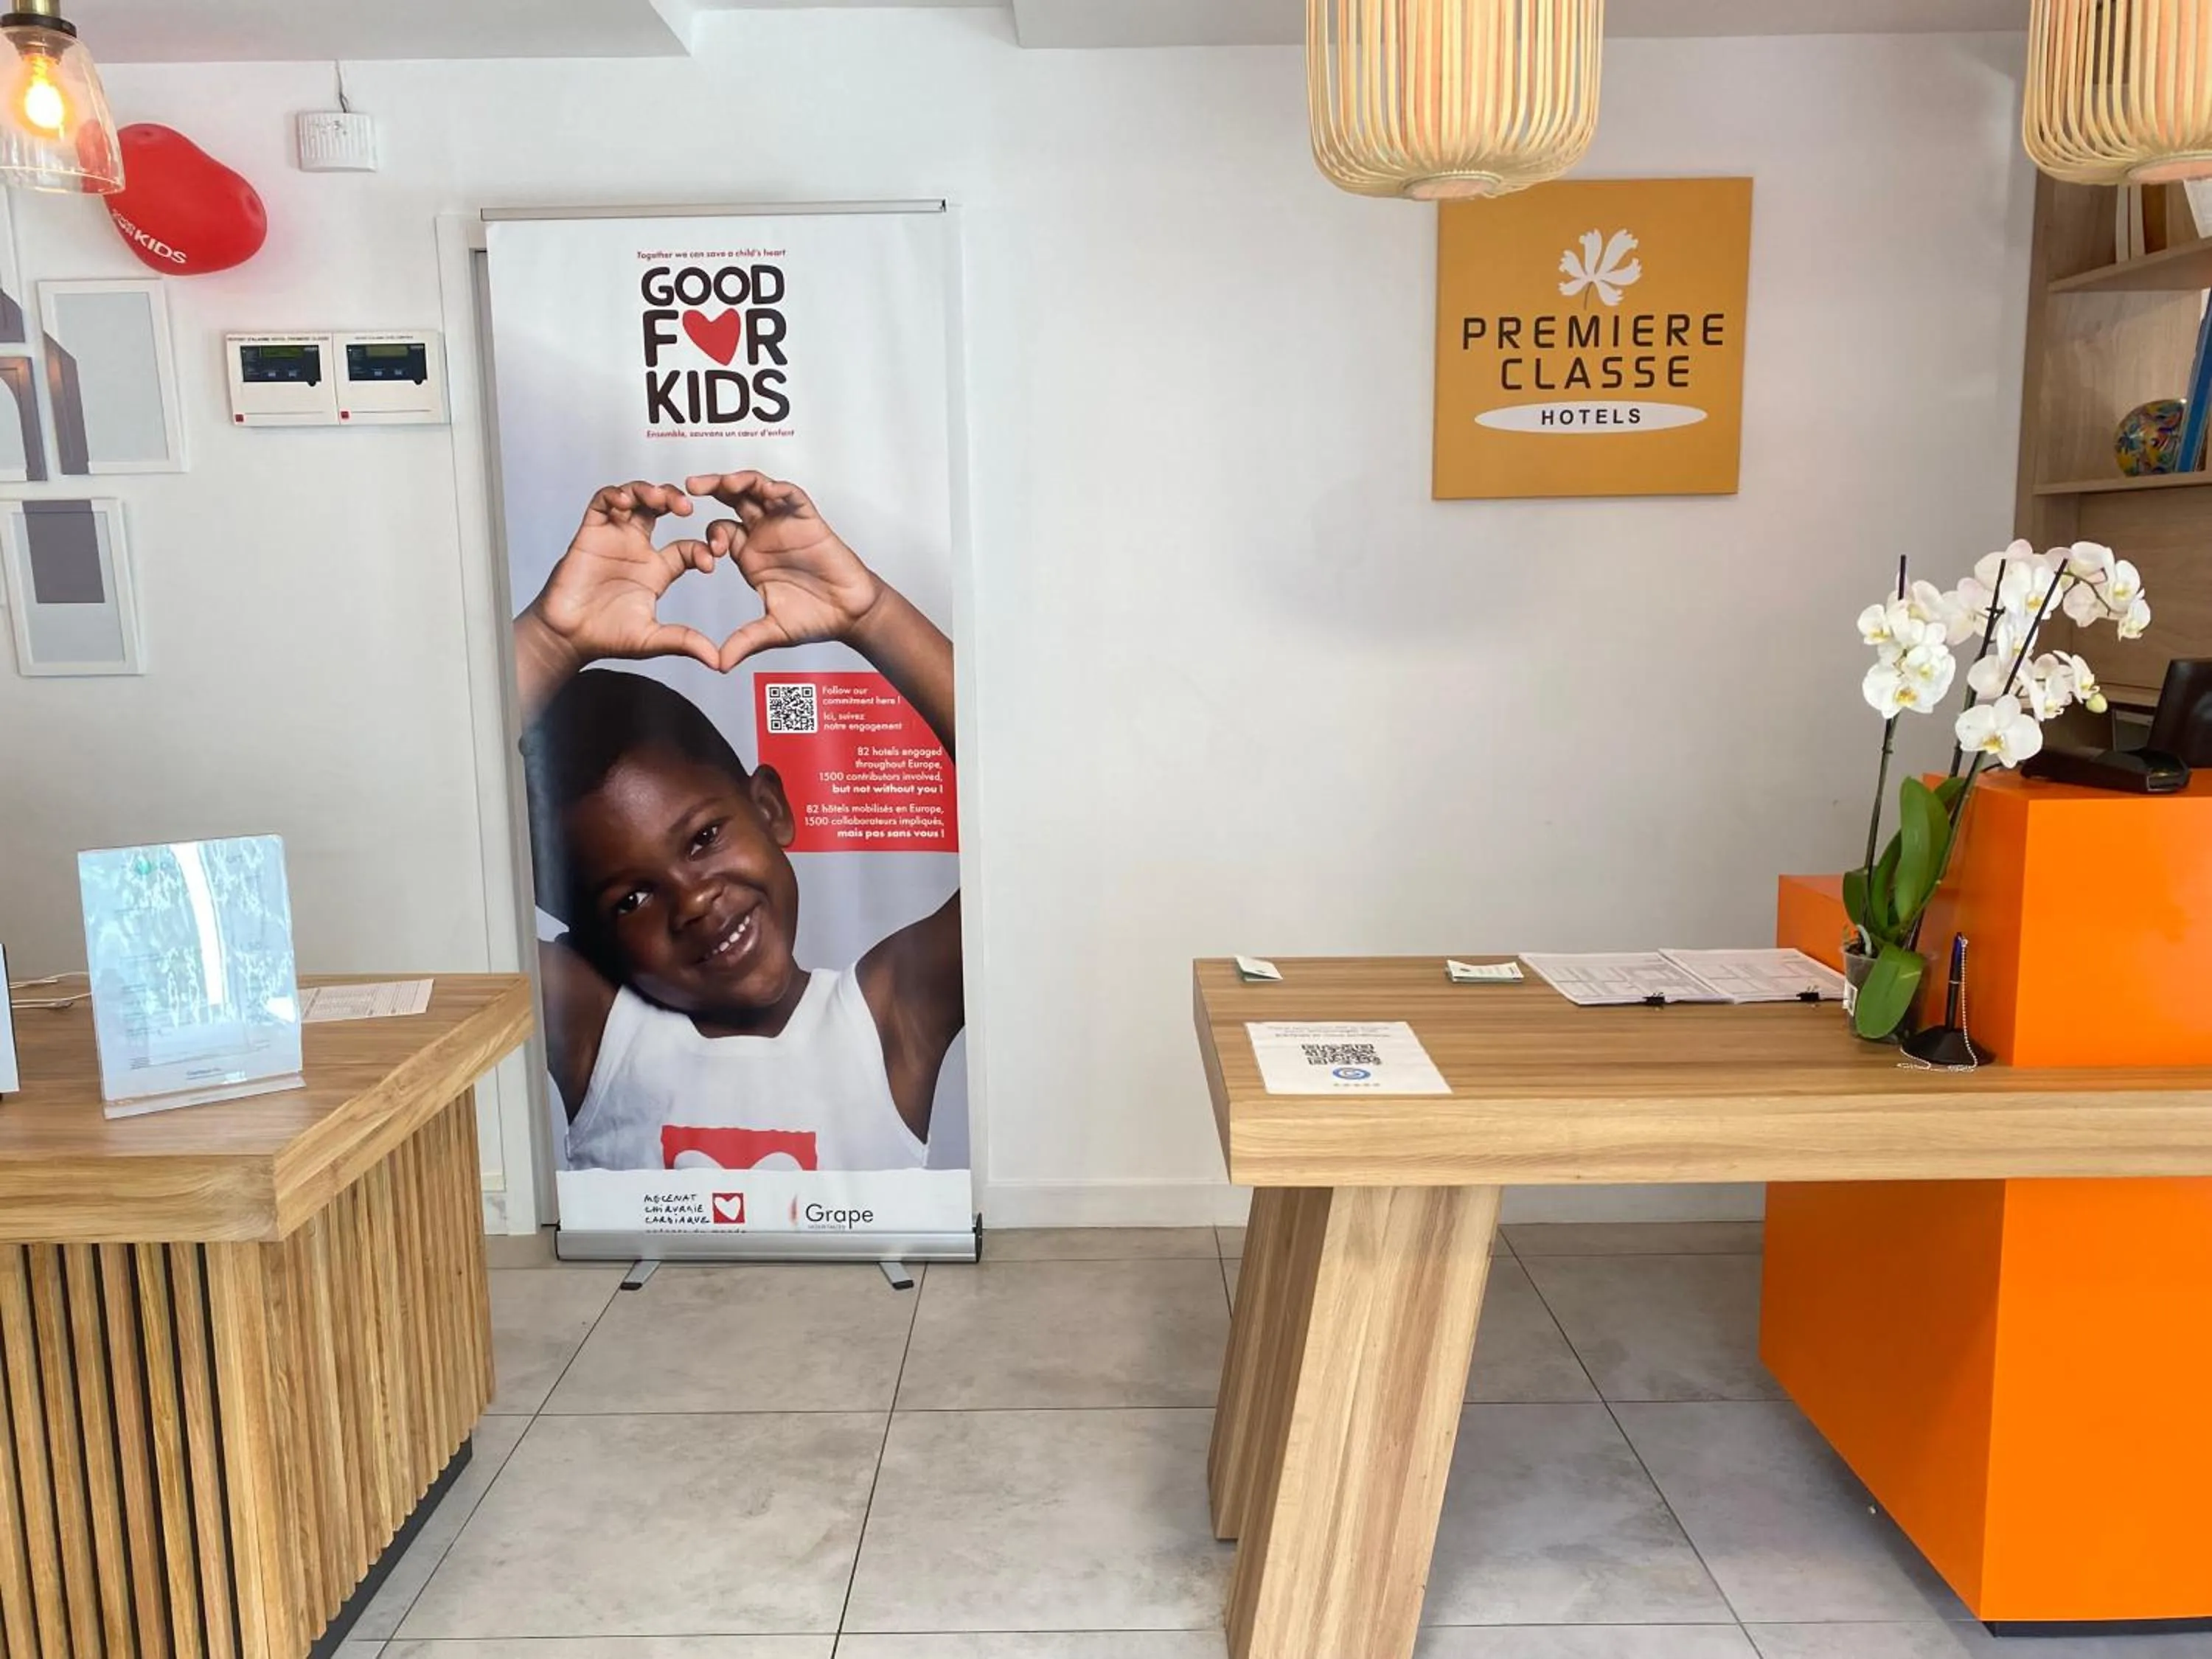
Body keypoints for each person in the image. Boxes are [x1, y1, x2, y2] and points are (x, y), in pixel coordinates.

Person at [512, 470, 961, 1173]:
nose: (692, 902)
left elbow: (1031, 825)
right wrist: (549, 641)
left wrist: (870, 617)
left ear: (771, 808)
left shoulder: (887, 1017)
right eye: (629, 900)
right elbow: (424, 845)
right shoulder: (597, 1031)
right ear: (584, 935)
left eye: (702, 839)